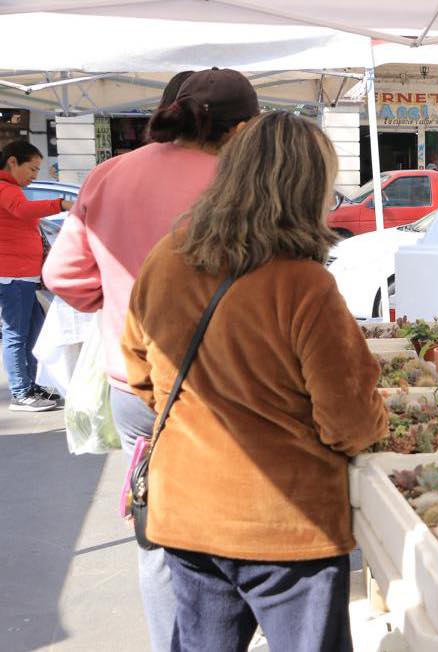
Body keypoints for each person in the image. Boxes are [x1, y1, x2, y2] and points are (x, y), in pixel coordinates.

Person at [122, 111, 388, 652]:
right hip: (287, 524)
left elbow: (141, 375)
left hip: (189, 511)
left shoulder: (166, 258)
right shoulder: (305, 285)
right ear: (307, 190)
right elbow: (350, 423)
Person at [43, 67, 259, 652]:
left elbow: (61, 275)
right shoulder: (241, 184)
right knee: (239, 532)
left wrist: (115, 299)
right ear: (239, 130)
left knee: (158, 532)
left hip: (134, 384)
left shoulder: (109, 173)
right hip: (228, 387)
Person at [0, 140, 72, 411]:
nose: (35, 176)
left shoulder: (12, 189)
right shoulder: (5, 189)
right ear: (12, 162)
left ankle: (29, 385)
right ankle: (21, 392)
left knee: (32, 332)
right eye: (32, 169)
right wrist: (62, 204)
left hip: (24, 275)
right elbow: (23, 210)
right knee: (16, 334)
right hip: (13, 276)